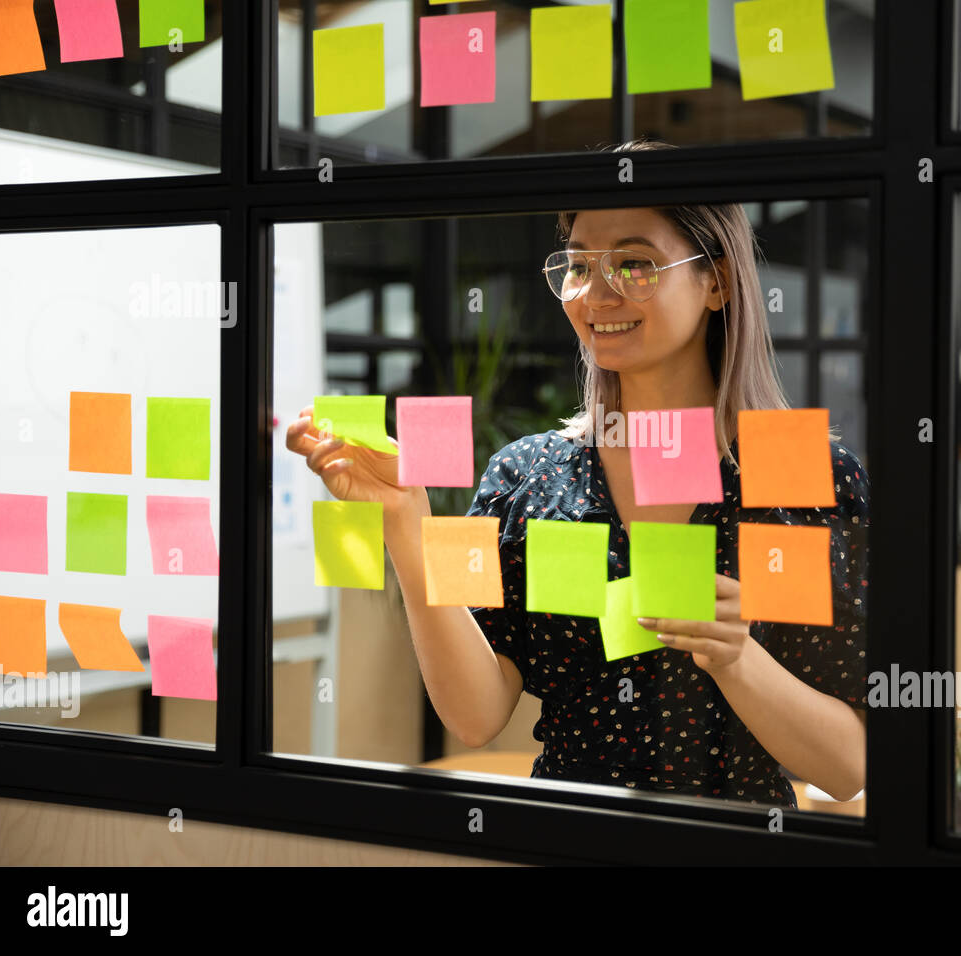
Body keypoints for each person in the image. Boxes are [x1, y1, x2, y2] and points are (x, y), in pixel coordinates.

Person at [285, 138, 868, 809]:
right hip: (561, 837)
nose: (598, 292)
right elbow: (475, 717)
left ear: (717, 281)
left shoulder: (803, 476)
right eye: (579, 264)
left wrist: (737, 657)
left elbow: (848, 766)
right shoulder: (529, 476)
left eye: (636, 263)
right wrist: (405, 519)